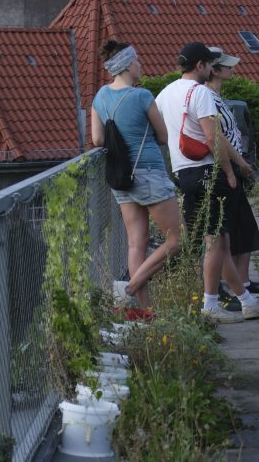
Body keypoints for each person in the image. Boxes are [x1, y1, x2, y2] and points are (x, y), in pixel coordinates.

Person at [156, 42, 259, 323]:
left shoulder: (164, 94)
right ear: (200, 66)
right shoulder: (200, 93)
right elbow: (213, 138)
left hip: (184, 172)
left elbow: (160, 133)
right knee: (215, 241)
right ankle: (211, 305)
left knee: (217, 240)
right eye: (209, 64)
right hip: (209, 171)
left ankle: (245, 300)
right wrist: (232, 171)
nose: (211, 68)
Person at [90, 40, 182, 312]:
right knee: (175, 240)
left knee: (135, 244)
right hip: (149, 173)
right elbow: (164, 136)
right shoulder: (142, 97)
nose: (141, 66)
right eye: (138, 62)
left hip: (121, 177)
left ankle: (144, 312)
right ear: (128, 65)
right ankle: (129, 289)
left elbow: (97, 139)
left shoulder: (100, 97)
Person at [206, 47, 259, 310]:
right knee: (229, 231)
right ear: (214, 70)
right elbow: (216, 137)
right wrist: (235, 166)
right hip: (225, 169)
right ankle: (234, 286)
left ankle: (241, 281)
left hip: (233, 167)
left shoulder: (217, 97)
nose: (232, 69)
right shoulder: (208, 98)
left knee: (244, 227)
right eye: (226, 66)